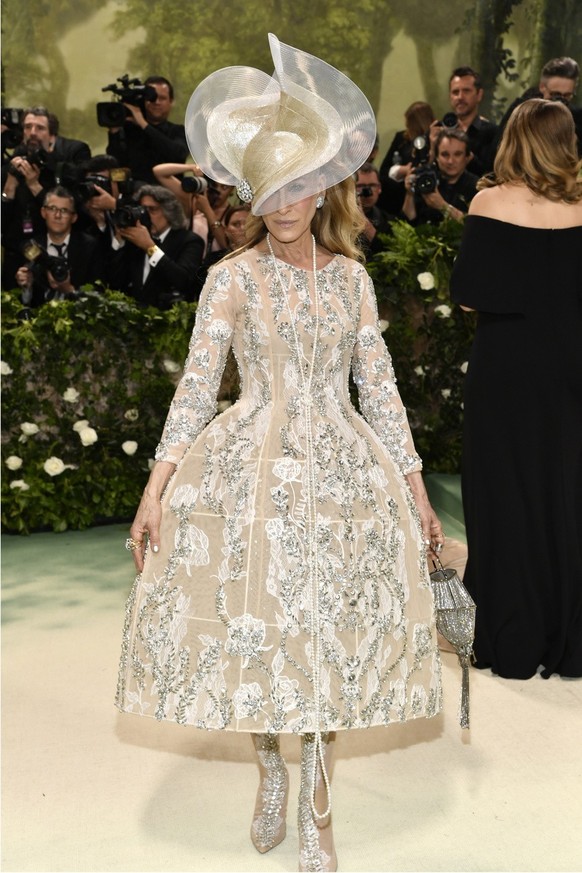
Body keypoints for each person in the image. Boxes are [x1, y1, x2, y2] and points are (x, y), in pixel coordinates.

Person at [115, 34, 445, 873]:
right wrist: (156, 489)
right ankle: (270, 762)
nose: (286, 201)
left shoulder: (353, 280)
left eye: (298, 182)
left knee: (326, 628)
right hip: (250, 469)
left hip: (341, 469)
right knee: (261, 625)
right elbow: (196, 390)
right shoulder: (229, 279)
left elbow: (382, 390)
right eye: (269, 187)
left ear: (322, 182)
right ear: (250, 193)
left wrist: (416, 493)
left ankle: (319, 802)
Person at [449, 98, 582, 680]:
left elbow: (470, 296)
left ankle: (514, 635)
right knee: (569, 491)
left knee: (507, 495)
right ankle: (571, 636)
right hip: (573, 367)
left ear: (513, 140)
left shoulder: (488, 202)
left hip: (507, 370)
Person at [1, 106, 91, 289]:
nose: (32, 133)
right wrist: (9, 188)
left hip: (53, 261)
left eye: (40, 128)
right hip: (16, 258)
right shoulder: (10, 168)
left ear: (52, 136)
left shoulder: (62, 170)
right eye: (27, 127)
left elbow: (76, 217)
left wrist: (35, 187)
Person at [108, 184, 204, 308]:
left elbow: (183, 281)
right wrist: (119, 240)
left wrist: (150, 248)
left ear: (169, 212)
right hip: (133, 317)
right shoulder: (135, 240)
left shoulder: (189, 241)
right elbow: (114, 281)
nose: (145, 216)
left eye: (152, 210)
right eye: (142, 209)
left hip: (169, 319)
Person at [14, 185, 102, 307]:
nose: (57, 216)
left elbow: (98, 298)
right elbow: (25, 304)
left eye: (64, 210)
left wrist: (69, 290)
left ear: (74, 217)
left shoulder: (90, 246)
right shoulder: (31, 247)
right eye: (52, 209)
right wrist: (26, 288)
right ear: (43, 212)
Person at [106, 76, 189, 186]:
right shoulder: (129, 132)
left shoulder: (178, 131)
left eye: (162, 98)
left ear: (171, 102)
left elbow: (178, 155)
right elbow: (116, 170)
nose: (156, 102)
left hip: (168, 196)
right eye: (152, 98)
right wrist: (114, 132)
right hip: (134, 195)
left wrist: (143, 124)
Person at [496, 57, 582, 156]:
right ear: (542, 87)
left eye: (567, 95)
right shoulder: (521, 111)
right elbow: (498, 150)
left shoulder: (577, 117)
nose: (560, 101)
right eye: (555, 94)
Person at [402, 129, 478, 225]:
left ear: (467, 157)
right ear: (436, 157)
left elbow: (475, 226)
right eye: (445, 154)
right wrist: (409, 194)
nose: (450, 161)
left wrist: (442, 206)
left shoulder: (477, 187)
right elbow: (408, 222)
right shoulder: (425, 178)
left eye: (457, 154)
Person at [378, 101, 436, 214]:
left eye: (409, 124)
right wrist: (403, 170)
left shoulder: (435, 140)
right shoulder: (401, 139)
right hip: (401, 193)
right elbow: (384, 170)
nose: (407, 128)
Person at [445, 66, 497, 175]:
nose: (460, 97)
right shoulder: (440, 131)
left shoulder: (492, 134)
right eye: (455, 92)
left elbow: (491, 175)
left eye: (466, 91)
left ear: (479, 95)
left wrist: (469, 158)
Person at [354, 162, 395, 255]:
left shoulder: (389, 221)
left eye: (372, 185)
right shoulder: (340, 219)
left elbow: (388, 253)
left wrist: (363, 220)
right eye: (360, 186)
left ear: (379, 188)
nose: (367, 191)